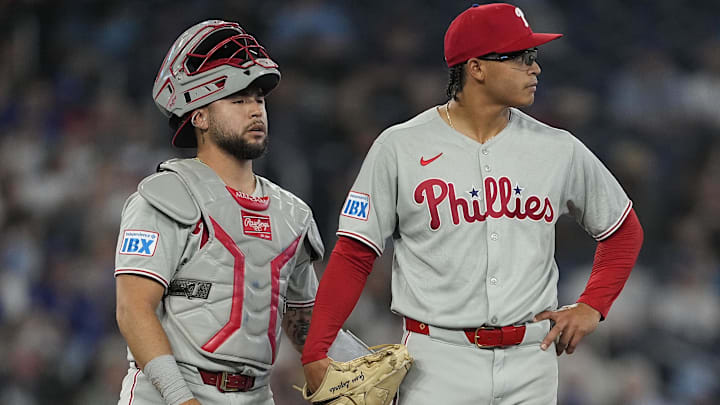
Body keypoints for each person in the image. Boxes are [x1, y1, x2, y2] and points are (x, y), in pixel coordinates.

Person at [301, 3, 643, 404]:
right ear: (476, 68)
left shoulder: (559, 148)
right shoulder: (401, 146)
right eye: (519, 57)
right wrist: (316, 349)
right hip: (437, 360)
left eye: (532, 57)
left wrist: (592, 306)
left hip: (531, 361)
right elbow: (356, 252)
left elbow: (623, 230)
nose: (535, 68)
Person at [114, 20, 323, 405]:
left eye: (259, 98)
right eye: (238, 100)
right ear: (200, 117)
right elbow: (133, 310)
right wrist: (182, 400)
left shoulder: (293, 214)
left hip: (258, 396)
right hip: (165, 395)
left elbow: (305, 327)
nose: (255, 110)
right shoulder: (165, 196)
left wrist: (344, 371)